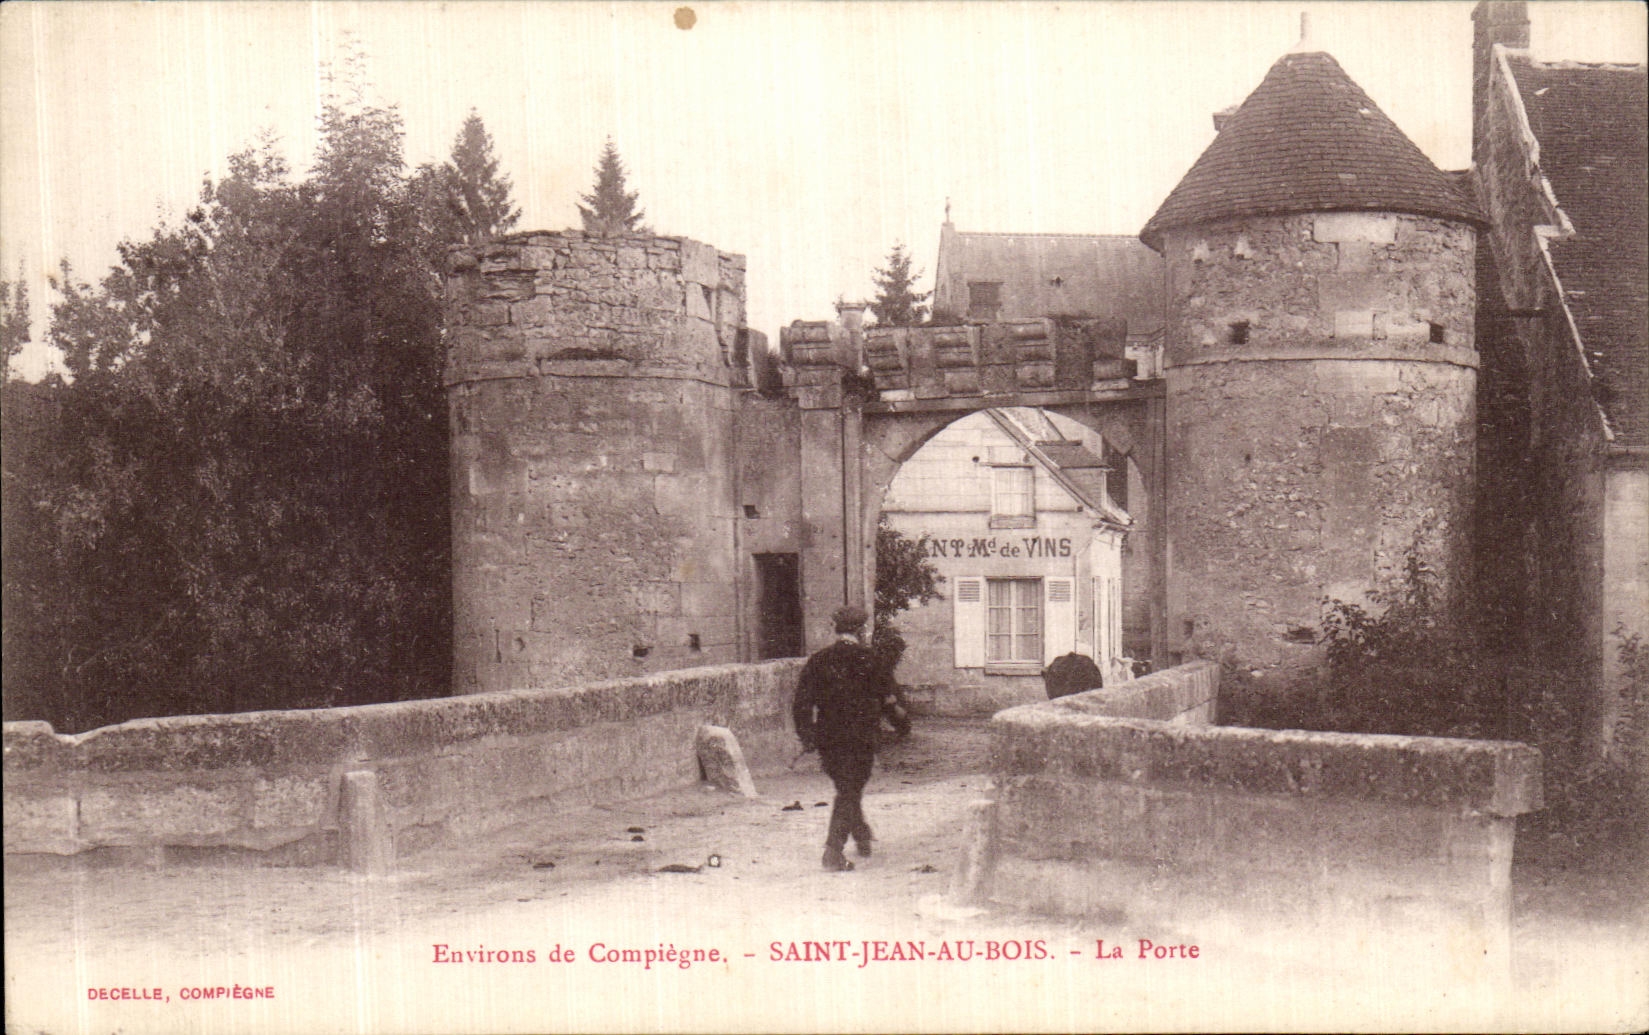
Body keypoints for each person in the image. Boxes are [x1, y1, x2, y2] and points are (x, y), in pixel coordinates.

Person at [792, 605, 897, 872]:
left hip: (829, 738)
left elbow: (801, 704)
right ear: (861, 630)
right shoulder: (871, 659)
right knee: (850, 791)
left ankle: (861, 833)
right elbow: (888, 700)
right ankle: (833, 851)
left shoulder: (819, 660)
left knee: (846, 789)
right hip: (861, 737)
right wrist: (900, 725)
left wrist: (807, 736)